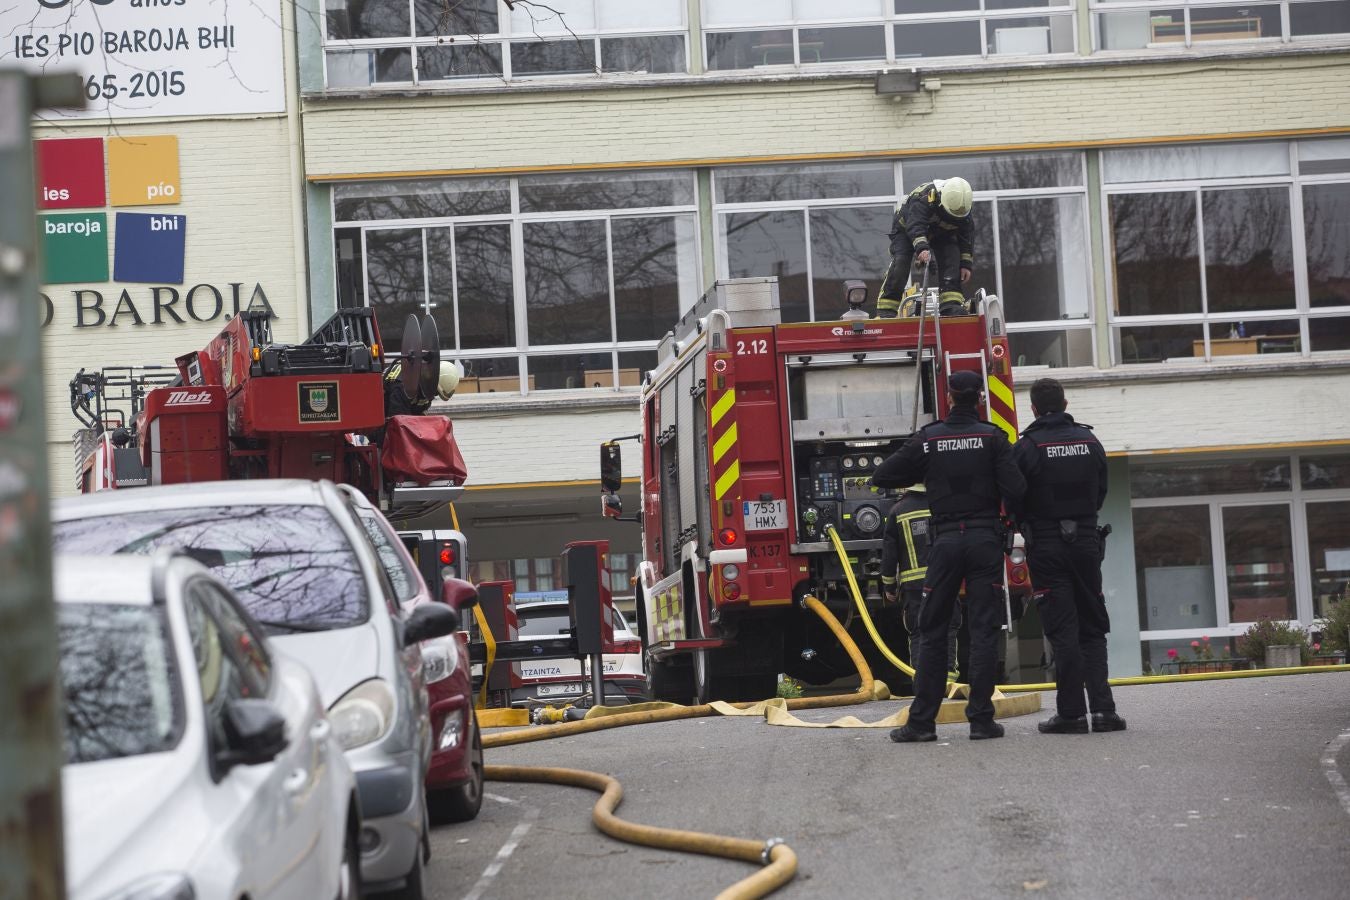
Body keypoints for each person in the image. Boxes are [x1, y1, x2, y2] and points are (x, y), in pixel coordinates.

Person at [871, 369, 1025, 742]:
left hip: (945, 544)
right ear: (980, 399)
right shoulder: (993, 438)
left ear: (949, 396)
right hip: (985, 540)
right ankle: (982, 720)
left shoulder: (929, 439)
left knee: (933, 629)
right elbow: (1017, 489)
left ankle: (922, 723)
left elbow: (883, 476)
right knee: (984, 629)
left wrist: (923, 462)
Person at [1011, 377, 1126, 735]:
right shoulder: (1090, 441)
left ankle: (1072, 714)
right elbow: (1101, 490)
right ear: (1065, 402)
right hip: (1086, 543)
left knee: (1063, 630)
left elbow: (1014, 498)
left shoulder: (1027, 446)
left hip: (1047, 546)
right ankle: (1105, 712)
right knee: (1093, 626)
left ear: (1032, 408)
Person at [879, 484, 960, 681]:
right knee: (947, 627)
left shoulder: (897, 511)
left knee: (918, 631)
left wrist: (889, 586)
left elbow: (890, 555)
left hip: (914, 586)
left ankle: (922, 680)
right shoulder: (943, 504)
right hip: (944, 580)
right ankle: (948, 678)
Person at [877, 177, 975, 319]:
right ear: (942, 199)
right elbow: (915, 226)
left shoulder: (963, 210)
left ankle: (950, 304)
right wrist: (922, 249)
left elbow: (966, 237)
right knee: (901, 264)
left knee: (952, 257)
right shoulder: (923, 198)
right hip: (906, 229)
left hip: (940, 233)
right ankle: (886, 310)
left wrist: (966, 264)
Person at [384, 360, 461, 417]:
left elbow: (418, 415)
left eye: (437, 393)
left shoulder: (426, 385)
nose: (433, 395)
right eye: (435, 391)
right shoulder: (404, 385)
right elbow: (398, 422)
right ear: (432, 382)